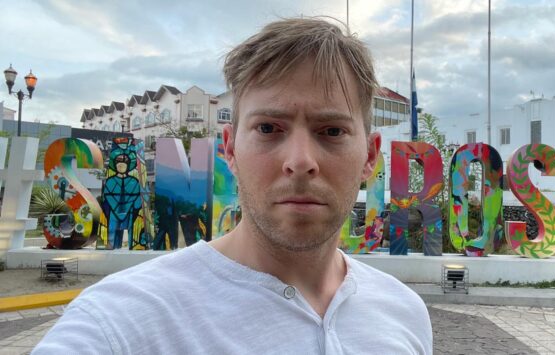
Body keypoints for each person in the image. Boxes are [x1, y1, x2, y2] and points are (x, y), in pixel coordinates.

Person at [33, 17, 432, 354]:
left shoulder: (406, 313)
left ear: (369, 156)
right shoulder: (121, 321)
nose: (299, 162)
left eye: (331, 130)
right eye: (268, 128)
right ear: (229, 149)